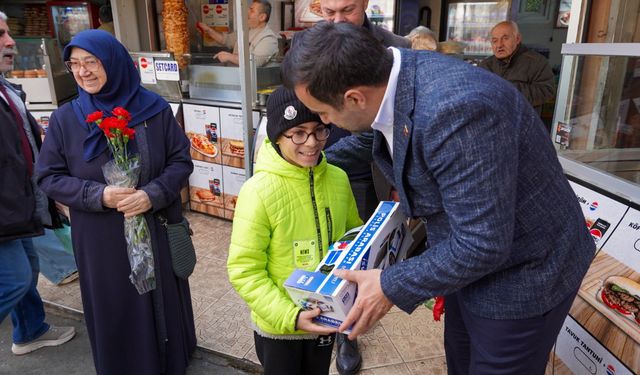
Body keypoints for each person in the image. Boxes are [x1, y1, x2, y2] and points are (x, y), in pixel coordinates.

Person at [282, 22, 596, 374]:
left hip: (525, 270)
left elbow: (483, 243)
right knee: (461, 356)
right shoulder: (393, 76)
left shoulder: (458, 111)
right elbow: (378, 133)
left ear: (355, 97)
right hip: (465, 257)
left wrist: (388, 285)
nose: (324, 121)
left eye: (324, 114)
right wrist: (303, 163)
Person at [36, 29, 196, 374]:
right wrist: (99, 195)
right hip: (99, 239)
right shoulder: (67, 118)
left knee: (157, 297)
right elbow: (48, 176)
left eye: (91, 62)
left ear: (114, 62)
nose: (83, 72)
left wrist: (151, 195)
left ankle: (167, 360)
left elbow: (181, 162)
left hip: (154, 225)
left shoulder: (153, 110)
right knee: (115, 301)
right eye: (74, 64)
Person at [227, 86, 363, 375]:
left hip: (326, 318)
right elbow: (244, 270)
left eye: (319, 130)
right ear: (277, 136)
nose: (311, 143)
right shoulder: (258, 191)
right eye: (298, 133)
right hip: (279, 326)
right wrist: (291, 315)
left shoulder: (338, 179)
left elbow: (353, 236)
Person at [317, 2, 410, 372]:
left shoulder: (394, 49)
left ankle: (347, 334)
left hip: (369, 172)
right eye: (328, 12)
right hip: (321, 164)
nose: (338, 21)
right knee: (322, 241)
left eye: (347, 10)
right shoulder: (311, 46)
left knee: (357, 251)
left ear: (367, 3)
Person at [0, 11, 76, 355]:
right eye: (0, 34)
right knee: (14, 279)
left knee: (27, 269)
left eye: (7, 32)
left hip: (21, 202)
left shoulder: (5, 87)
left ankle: (30, 331)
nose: (10, 41)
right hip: (6, 208)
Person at [479, 21, 555, 118]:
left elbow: (547, 91)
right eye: (495, 41)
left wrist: (508, 89)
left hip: (524, 125)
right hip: (493, 123)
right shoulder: (486, 65)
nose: (499, 45)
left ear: (517, 39)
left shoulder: (536, 62)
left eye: (505, 38)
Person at [197, 0, 278, 67]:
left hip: (256, 85)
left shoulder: (268, 38)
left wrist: (230, 57)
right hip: (238, 78)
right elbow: (226, 40)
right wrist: (208, 30)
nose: (247, 12)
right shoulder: (246, 30)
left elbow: (255, 62)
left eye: (252, 10)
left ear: (262, 17)